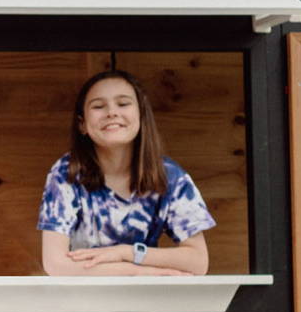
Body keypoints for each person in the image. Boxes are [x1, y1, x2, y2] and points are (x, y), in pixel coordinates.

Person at [36, 68, 213, 276]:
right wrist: (142, 273)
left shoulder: (170, 176)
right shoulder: (67, 173)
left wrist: (127, 253)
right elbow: (56, 265)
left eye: (123, 103)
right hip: (83, 301)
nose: (112, 112)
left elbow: (198, 262)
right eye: (99, 106)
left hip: (148, 302)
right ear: (82, 124)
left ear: (141, 115)